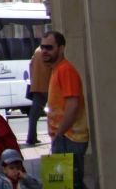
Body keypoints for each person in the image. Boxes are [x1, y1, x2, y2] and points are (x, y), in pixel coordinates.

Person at [42, 31, 89, 189]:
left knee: (71, 185)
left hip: (70, 138)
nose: (44, 51)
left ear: (61, 48)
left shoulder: (65, 70)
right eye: (42, 47)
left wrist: (59, 133)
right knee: (66, 185)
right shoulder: (57, 70)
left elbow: (72, 105)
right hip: (65, 137)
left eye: (49, 47)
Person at [26, 44, 50, 145]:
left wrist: (33, 79)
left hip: (36, 85)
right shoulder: (48, 52)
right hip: (48, 84)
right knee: (56, 111)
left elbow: (31, 64)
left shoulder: (37, 51)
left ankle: (31, 137)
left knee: (34, 114)